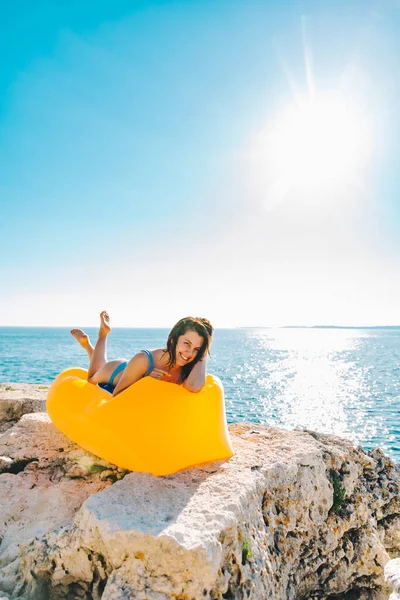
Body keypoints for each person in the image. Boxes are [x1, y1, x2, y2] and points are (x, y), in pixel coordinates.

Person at [70, 311, 213, 396]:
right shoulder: (143, 359)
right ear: (175, 338)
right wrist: (144, 381)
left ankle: (89, 347)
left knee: (98, 364)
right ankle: (102, 334)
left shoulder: (192, 363)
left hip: (132, 369)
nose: (189, 353)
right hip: (117, 371)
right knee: (91, 378)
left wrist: (203, 351)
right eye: (186, 344)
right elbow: (117, 396)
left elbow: (194, 386)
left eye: (196, 349)